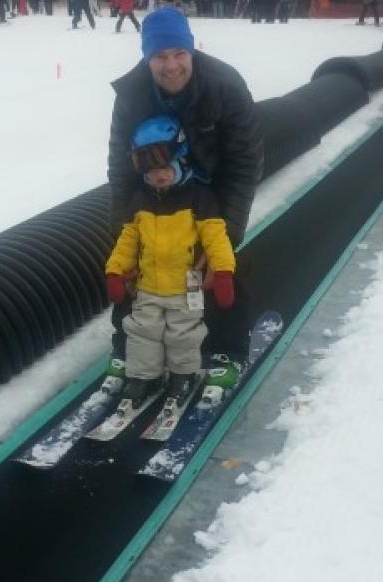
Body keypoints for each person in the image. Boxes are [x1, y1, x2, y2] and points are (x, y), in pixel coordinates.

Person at [106, 7, 263, 400]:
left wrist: (227, 234)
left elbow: (245, 163)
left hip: (215, 184)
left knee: (218, 264)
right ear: (147, 57)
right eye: (160, 56)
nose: (171, 65)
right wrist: (124, 228)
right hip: (155, 185)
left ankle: (226, 349)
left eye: (179, 53)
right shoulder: (132, 95)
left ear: (192, 51)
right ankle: (131, 350)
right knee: (143, 267)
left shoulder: (224, 86)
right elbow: (119, 164)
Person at [105, 115, 236, 407]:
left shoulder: (199, 198)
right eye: (150, 172)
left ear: (182, 160)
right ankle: (144, 376)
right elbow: (128, 240)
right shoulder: (140, 199)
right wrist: (115, 271)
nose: (158, 176)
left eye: (164, 167)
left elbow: (216, 237)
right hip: (148, 287)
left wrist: (224, 272)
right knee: (142, 332)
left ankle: (183, 375)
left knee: (184, 334)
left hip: (185, 288)